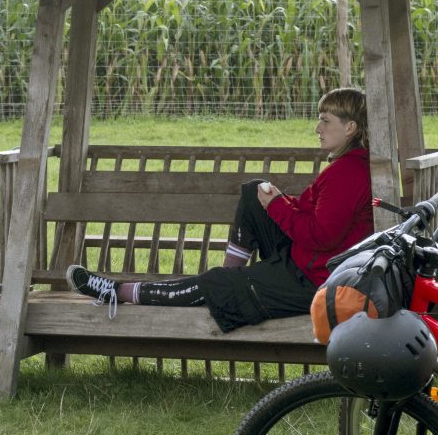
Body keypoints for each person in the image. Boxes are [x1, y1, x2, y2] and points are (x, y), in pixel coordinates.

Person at [67, 87, 373, 331]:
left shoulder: (346, 174)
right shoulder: (348, 167)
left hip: (315, 281)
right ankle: (229, 279)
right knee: (254, 191)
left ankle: (118, 292)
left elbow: (321, 236)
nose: (317, 127)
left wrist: (279, 205)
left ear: (350, 127)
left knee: (214, 283)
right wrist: (281, 201)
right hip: (309, 263)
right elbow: (322, 224)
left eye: (325, 120)